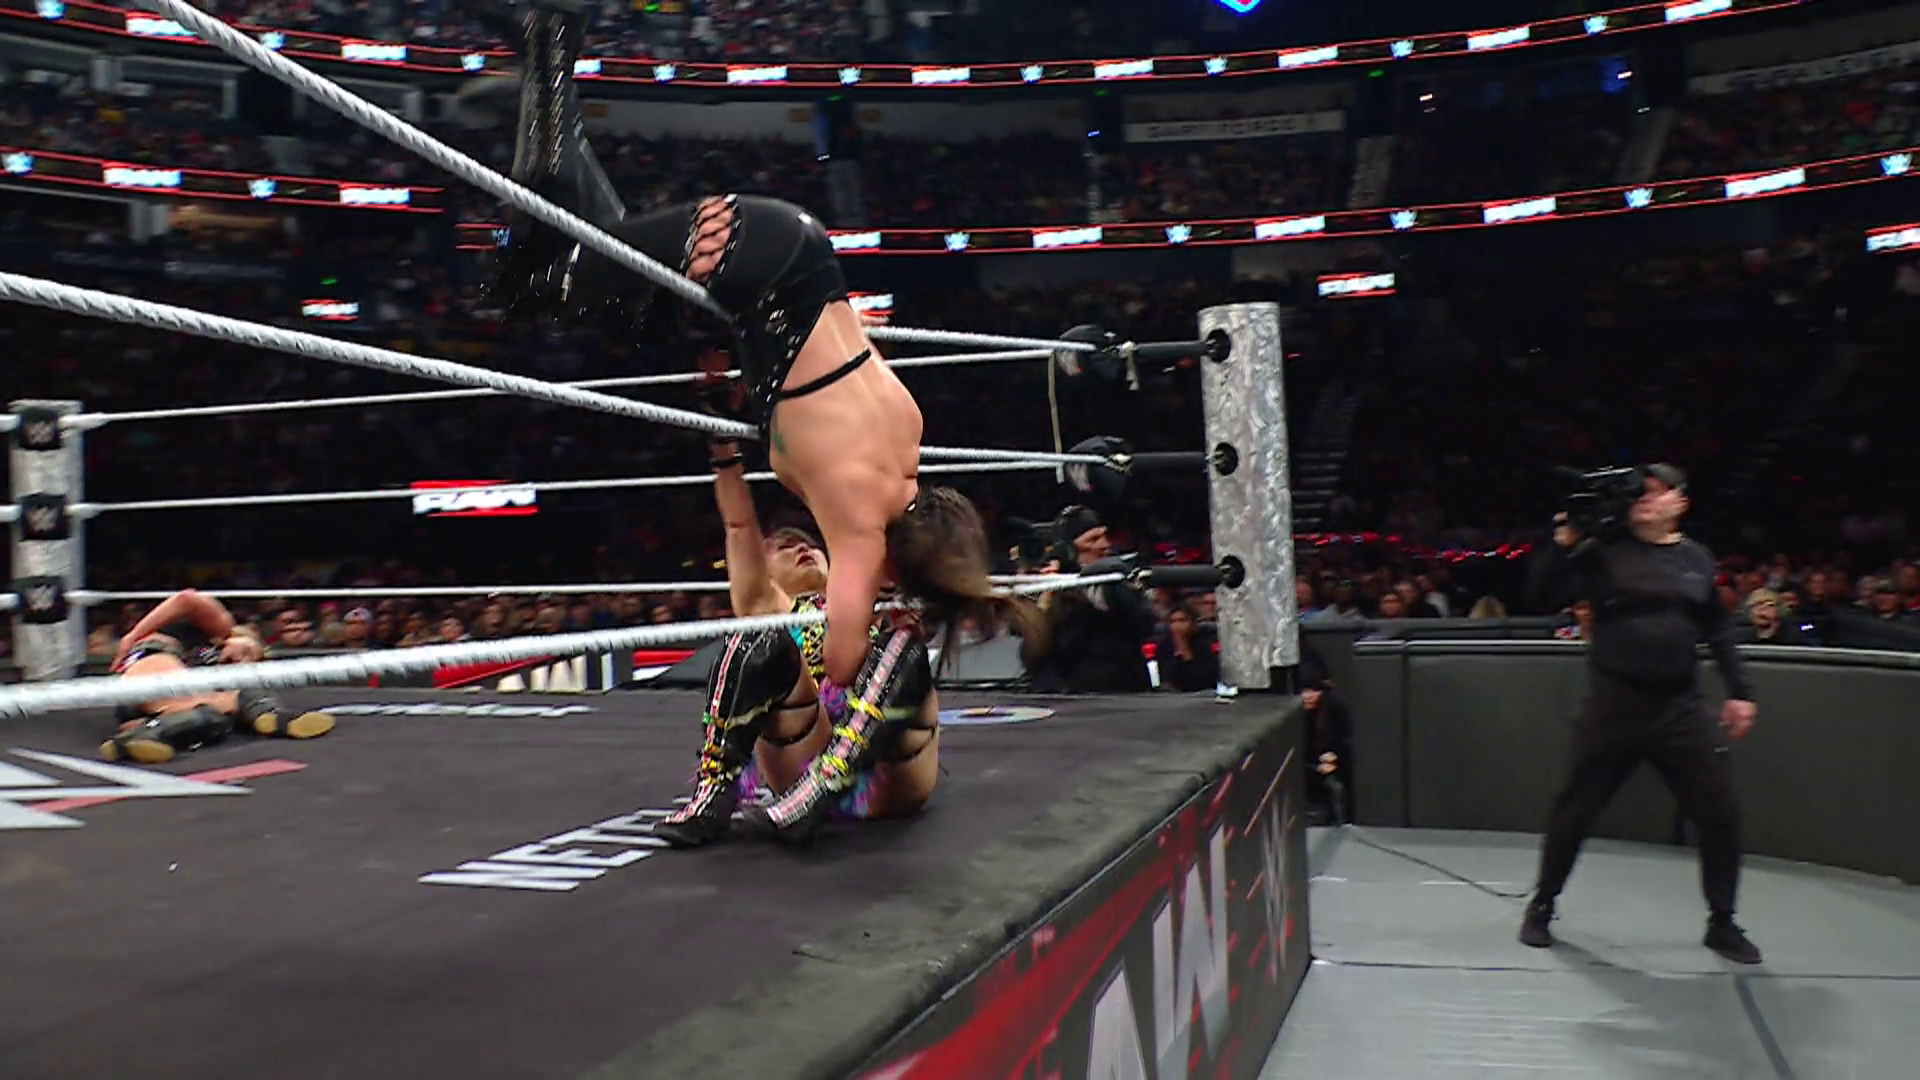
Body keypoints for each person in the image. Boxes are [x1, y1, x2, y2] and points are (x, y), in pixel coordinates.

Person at [480, 2, 1044, 770]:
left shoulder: (902, 441)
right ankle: (547, 38)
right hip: (761, 262)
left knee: (617, 287)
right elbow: (840, 662)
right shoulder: (860, 524)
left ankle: (549, 76)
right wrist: (899, 626)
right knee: (533, 278)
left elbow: (814, 374)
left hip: (790, 261)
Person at [653, 397, 941, 846]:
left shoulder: (869, 587)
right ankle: (714, 793)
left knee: (903, 641)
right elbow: (739, 526)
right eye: (784, 548)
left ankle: (831, 778)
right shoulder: (772, 603)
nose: (800, 548)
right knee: (757, 635)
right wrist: (725, 451)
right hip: (802, 764)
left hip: (890, 773)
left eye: (807, 544)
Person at [1519, 464, 1762, 964]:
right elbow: (1538, 597)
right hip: (1614, 703)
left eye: (1658, 491)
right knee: (1576, 808)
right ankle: (1542, 904)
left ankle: (1722, 921)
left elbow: (1716, 628)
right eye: (1640, 492)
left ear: (1681, 502)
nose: (1647, 498)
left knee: (1720, 812)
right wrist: (1564, 542)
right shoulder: (1604, 550)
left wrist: (1740, 691)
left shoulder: (1696, 558)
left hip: (1679, 706)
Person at [104, 589, 335, 764]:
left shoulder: (217, 665)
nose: (240, 660)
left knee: (217, 715)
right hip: (152, 660)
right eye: (244, 652)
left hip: (166, 699)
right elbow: (187, 598)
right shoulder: (216, 629)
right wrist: (132, 637)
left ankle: (148, 733)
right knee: (202, 704)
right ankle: (145, 732)